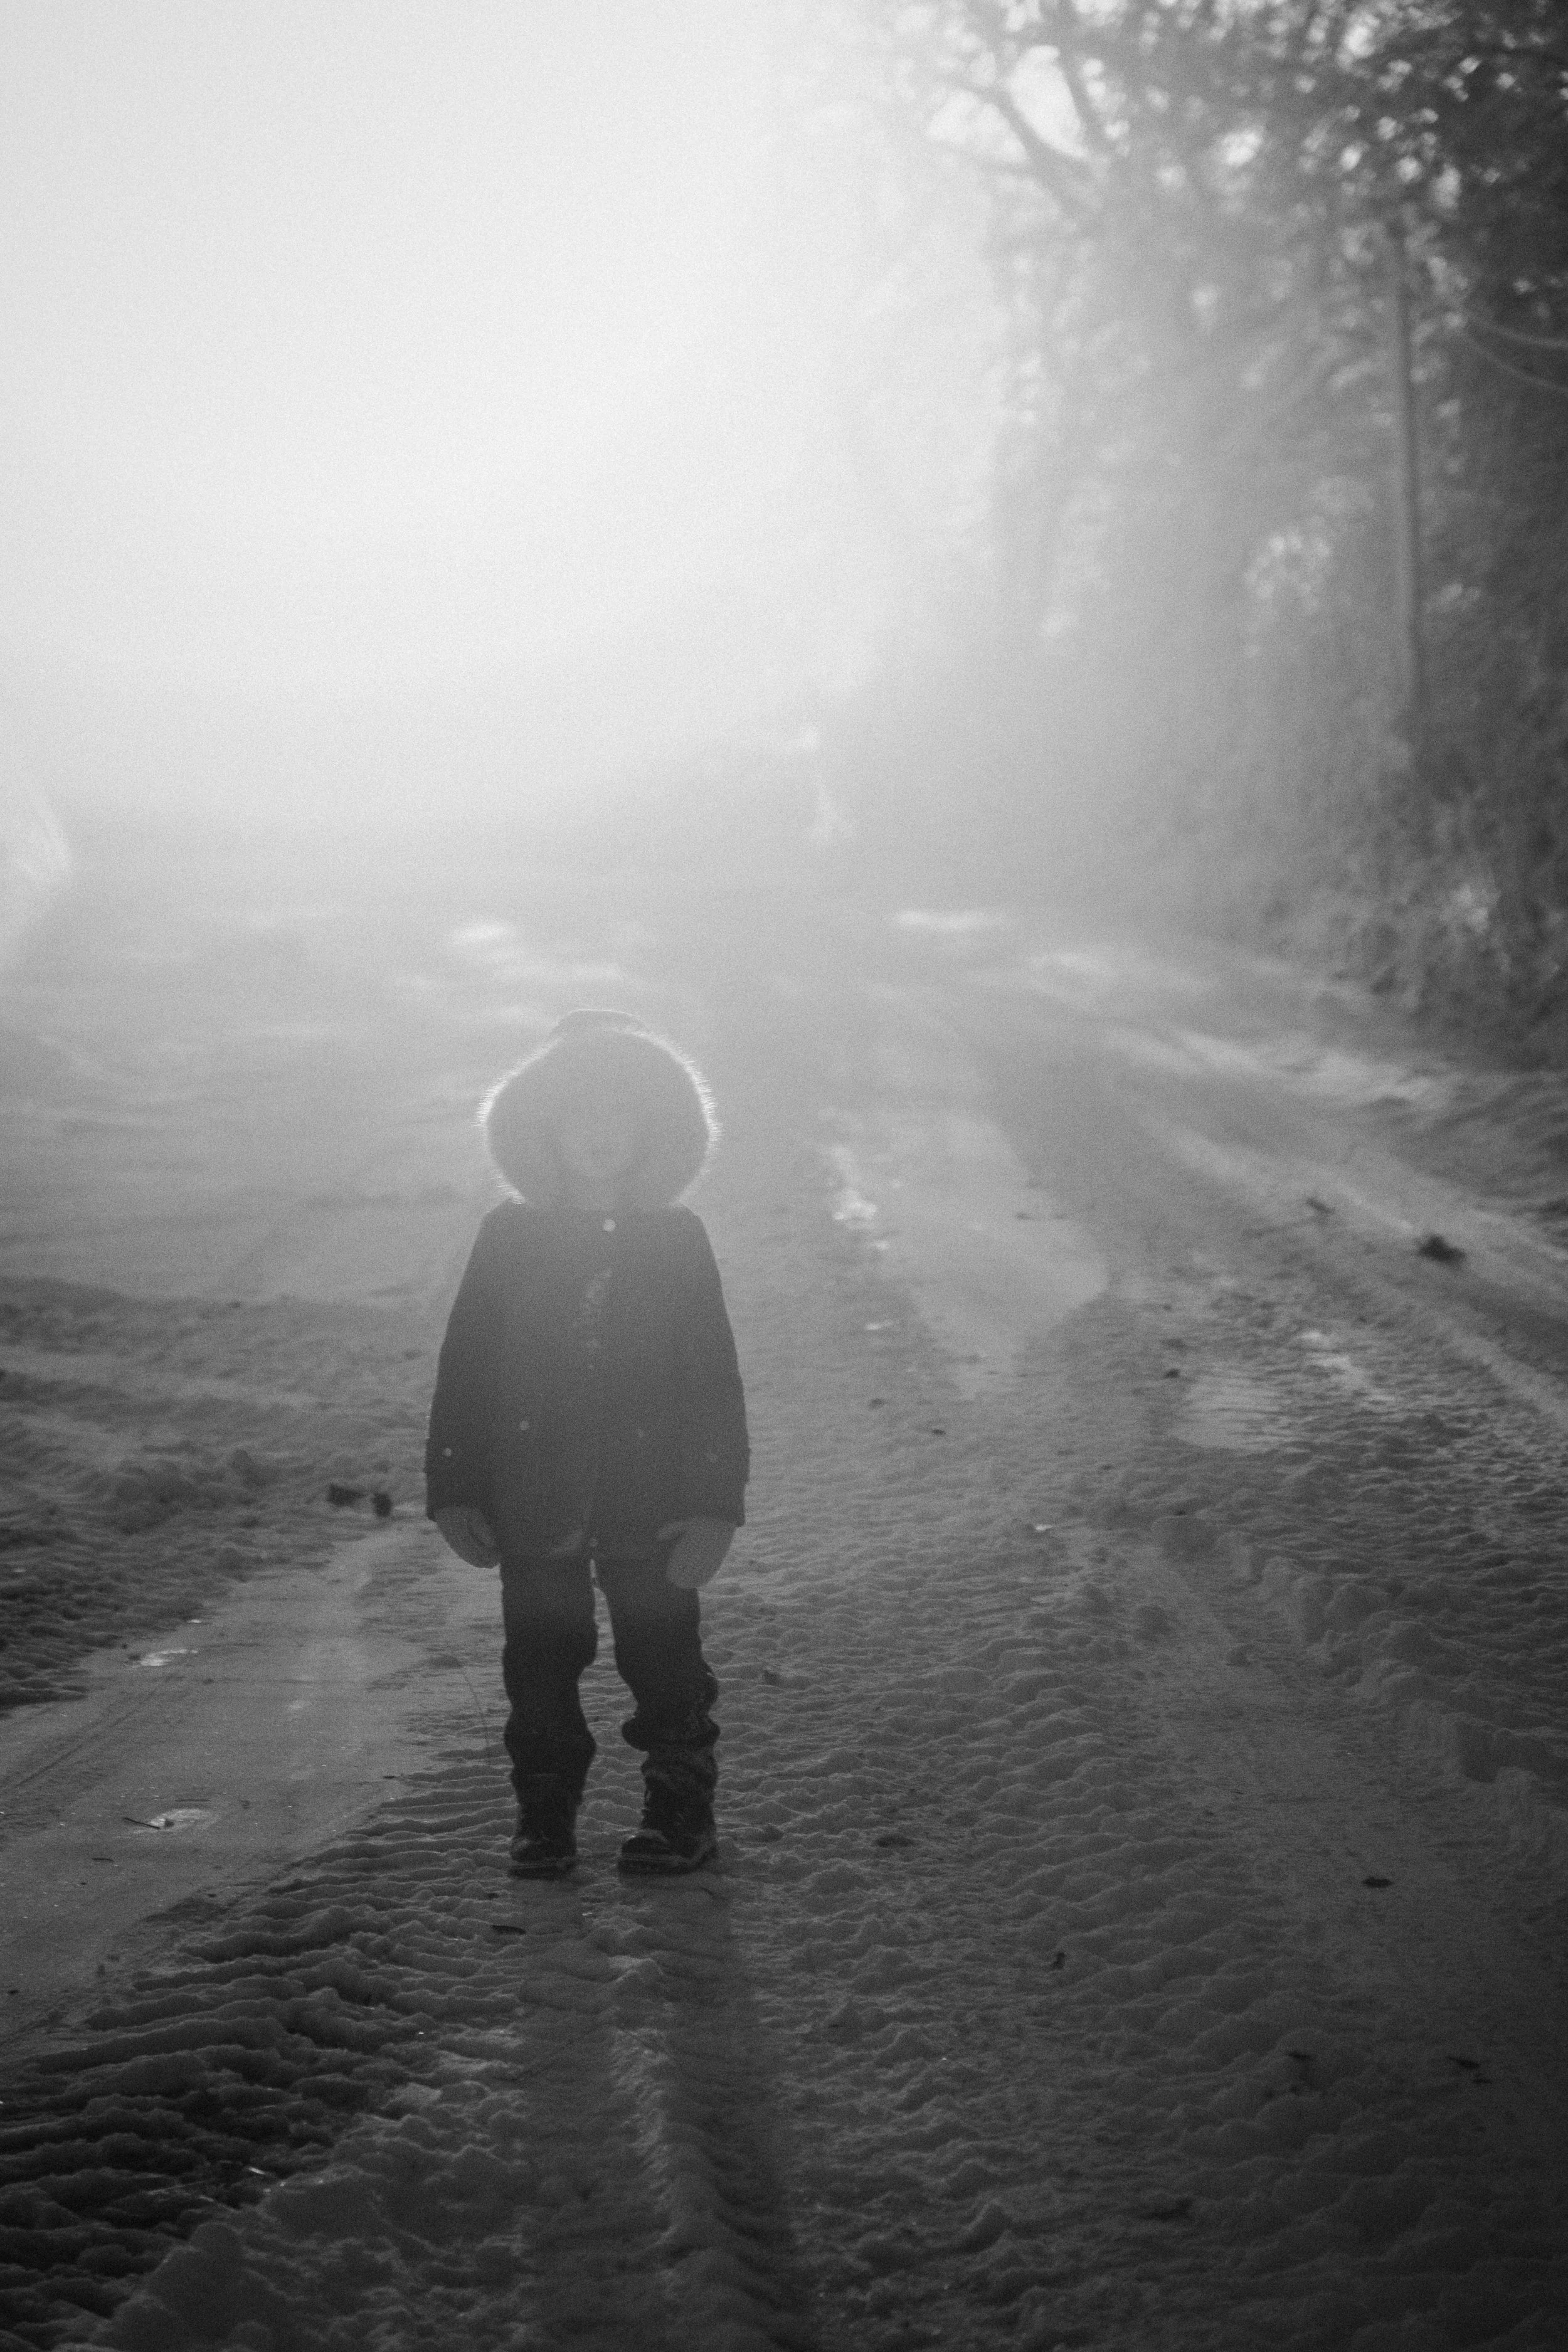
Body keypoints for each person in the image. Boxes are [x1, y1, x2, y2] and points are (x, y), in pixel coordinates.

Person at [425, 1009, 749, 1878]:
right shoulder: (510, 1237)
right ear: (542, 1128)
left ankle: (681, 1810)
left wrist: (717, 1504)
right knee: (539, 1664)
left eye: (620, 1117)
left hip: (653, 1500)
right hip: (532, 1494)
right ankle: (544, 1816)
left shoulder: (678, 1241)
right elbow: (468, 1365)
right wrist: (454, 1486)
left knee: (665, 1657)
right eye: (578, 1117)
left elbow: (712, 1377)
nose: (598, 1137)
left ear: (656, 1131)